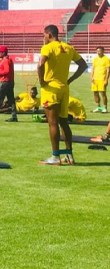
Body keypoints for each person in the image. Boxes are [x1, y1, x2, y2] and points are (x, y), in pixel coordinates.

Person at [37, 24, 88, 165]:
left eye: (44, 35)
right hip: (64, 89)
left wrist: (42, 81)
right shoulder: (69, 48)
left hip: (51, 89)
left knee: (52, 123)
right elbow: (83, 65)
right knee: (64, 122)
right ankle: (69, 155)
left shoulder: (47, 48)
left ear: (48, 34)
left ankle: (55, 157)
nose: (43, 38)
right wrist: (70, 80)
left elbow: (40, 64)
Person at [91, 46, 109, 113]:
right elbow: (93, 68)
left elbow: (108, 70)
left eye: (100, 51)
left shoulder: (106, 59)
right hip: (95, 79)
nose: (98, 52)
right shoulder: (95, 59)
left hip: (102, 78)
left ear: (103, 51)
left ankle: (105, 107)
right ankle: (98, 107)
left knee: (103, 93)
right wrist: (92, 77)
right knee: (95, 93)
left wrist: (106, 79)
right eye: (97, 51)